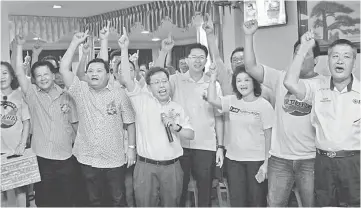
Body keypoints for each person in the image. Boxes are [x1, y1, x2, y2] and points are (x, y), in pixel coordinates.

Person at [243, 19, 321, 207]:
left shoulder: (324, 84)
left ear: (316, 60)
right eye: (296, 54)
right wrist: (248, 35)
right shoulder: (280, 78)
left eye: (304, 54)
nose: (299, 58)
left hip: (310, 159)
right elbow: (250, 67)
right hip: (279, 159)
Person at [116, 27, 194, 206]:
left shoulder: (177, 108)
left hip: (173, 166)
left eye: (164, 81)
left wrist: (177, 127)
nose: (161, 85)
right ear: (149, 87)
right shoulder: (142, 101)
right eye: (156, 82)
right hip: (145, 166)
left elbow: (191, 134)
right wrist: (124, 49)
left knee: (172, 204)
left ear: (170, 83)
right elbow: (127, 79)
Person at [59, 28, 136, 207]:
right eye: (91, 70)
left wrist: (131, 148)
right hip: (88, 158)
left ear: (108, 75)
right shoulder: (81, 91)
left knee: (117, 200)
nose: (94, 73)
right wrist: (74, 43)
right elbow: (64, 68)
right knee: (94, 201)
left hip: (114, 158)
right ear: (86, 75)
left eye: (99, 70)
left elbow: (130, 122)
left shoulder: (119, 94)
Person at [283, 33, 360, 207]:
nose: (340, 61)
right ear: (328, 61)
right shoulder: (317, 87)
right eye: (335, 56)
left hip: (353, 163)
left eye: (346, 57)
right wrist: (302, 49)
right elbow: (289, 82)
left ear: (353, 64)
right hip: (323, 162)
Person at [155, 31, 225, 207]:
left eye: (201, 57)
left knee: (205, 192)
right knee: (178, 190)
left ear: (206, 60)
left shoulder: (213, 84)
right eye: (194, 56)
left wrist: (220, 147)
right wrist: (164, 52)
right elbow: (154, 77)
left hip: (205, 145)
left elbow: (219, 118)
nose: (197, 60)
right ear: (187, 59)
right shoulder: (175, 80)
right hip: (179, 145)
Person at [13, 35, 78, 207]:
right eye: (38, 75)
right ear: (34, 78)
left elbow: (75, 125)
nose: (43, 78)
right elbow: (19, 71)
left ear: (53, 74)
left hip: (66, 157)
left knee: (67, 201)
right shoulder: (32, 94)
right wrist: (19, 45)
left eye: (46, 74)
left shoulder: (68, 95)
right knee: (44, 201)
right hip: (41, 158)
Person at [207, 64, 274, 207]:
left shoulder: (264, 105)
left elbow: (269, 136)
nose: (242, 84)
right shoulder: (231, 101)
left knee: (257, 202)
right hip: (234, 161)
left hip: (257, 162)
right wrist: (213, 77)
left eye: (247, 80)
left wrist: (266, 165)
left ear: (254, 82)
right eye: (239, 80)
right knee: (237, 202)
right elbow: (212, 100)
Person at [1, 61, 31, 207]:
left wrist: (22, 144)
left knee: (20, 190)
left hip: (16, 151)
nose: (1, 77)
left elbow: (26, 122)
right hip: (0, 152)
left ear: (12, 76)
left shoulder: (20, 95)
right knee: (2, 190)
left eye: (4, 73)